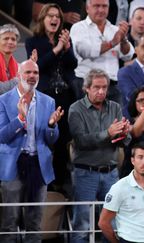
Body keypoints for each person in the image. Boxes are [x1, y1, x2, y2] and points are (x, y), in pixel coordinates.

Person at [0, 60, 63, 242]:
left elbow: (52, 139)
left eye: (35, 73)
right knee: (9, 221)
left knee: (35, 222)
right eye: (28, 72)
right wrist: (20, 118)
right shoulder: (4, 101)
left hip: (39, 166)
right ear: (19, 75)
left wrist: (52, 125)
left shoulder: (48, 101)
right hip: (13, 167)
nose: (32, 76)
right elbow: (3, 136)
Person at [68, 68, 131, 243]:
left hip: (111, 173)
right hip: (85, 173)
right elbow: (80, 141)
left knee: (112, 222)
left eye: (104, 87)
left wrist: (124, 134)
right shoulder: (76, 109)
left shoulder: (115, 107)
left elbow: (125, 141)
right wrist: (108, 133)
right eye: (96, 87)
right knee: (82, 223)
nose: (101, 91)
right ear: (86, 88)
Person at [25, 3, 78, 192]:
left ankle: (59, 182)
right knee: (43, 138)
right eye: (50, 16)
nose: (55, 19)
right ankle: (41, 179)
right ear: (42, 19)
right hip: (43, 97)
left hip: (64, 96)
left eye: (58, 16)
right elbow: (37, 67)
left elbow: (73, 64)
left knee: (63, 140)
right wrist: (57, 49)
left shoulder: (62, 39)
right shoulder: (33, 42)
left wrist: (67, 48)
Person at [99, 142, 144, 243]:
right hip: (127, 240)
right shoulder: (119, 187)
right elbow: (103, 222)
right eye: (140, 157)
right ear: (133, 160)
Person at [70, 0, 134, 104]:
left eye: (104, 6)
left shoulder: (114, 29)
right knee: (88, 120)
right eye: (96, 6)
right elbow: (85, 51)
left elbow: (128, 55)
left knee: (115, 120)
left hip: (112, 86)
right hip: (87, 86)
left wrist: (123, 40)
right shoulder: (78, 28)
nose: (101, 10)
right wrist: (112, 43)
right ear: (87, 8)